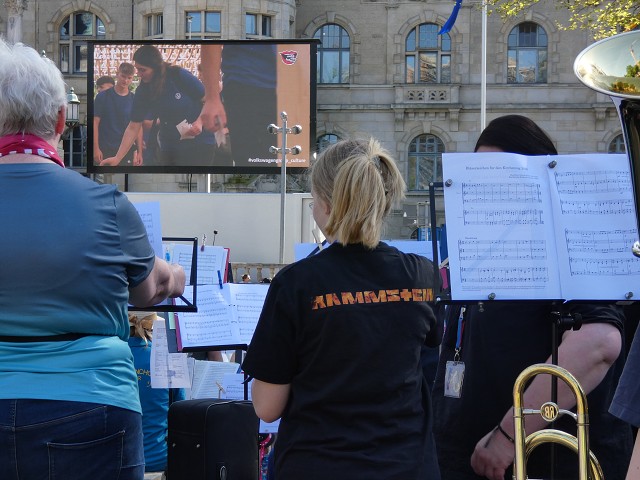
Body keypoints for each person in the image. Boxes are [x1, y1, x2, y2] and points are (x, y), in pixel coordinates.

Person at [0, 39, 186, 479]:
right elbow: (149, 290)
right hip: (91, 408)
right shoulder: (107, 204)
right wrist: (175, 274)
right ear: (60, 119)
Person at [432, 115, 633, 480]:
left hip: (540, 463)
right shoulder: (485, 247)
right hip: (470, 459)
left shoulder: (566, 243)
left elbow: (599, 341)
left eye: (498, 175)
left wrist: (508, 436)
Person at [242, 138, 441, 479]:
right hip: (407, 465)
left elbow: (267, 407)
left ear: (325, 203)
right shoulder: (423, 275)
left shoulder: (296, 283)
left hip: (320, 464)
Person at [101, 45, 221, 167]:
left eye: (143, 70)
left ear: (155, 67)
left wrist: (199, 122)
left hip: (200, 142)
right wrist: (117, 158)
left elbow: (209, 99)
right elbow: (133, 126)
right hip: (170, 145)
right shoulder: (143, 90)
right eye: (138, 69)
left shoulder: (177, 75)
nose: (139, 74)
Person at [198, 44, 277, 166]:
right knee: (256, 163)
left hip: (294, 82)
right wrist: (212, 98)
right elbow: (212, 39)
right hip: (250, 82)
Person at [128, 313, 186, 474]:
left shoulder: (112, 358)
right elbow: (181, 415)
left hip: (122, 461)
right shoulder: (169, 359)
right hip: (159, 459)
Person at [94, 62, 141, 165]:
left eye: (129, 78)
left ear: (132, 78)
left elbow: (137, 127)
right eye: (123, 76)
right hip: (105, 149)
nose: (125, 80)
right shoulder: (102, 96)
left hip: (126, 151)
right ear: (117, 74)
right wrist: (95, 148)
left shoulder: (134, 100)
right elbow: (95, 123)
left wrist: (139, 151)